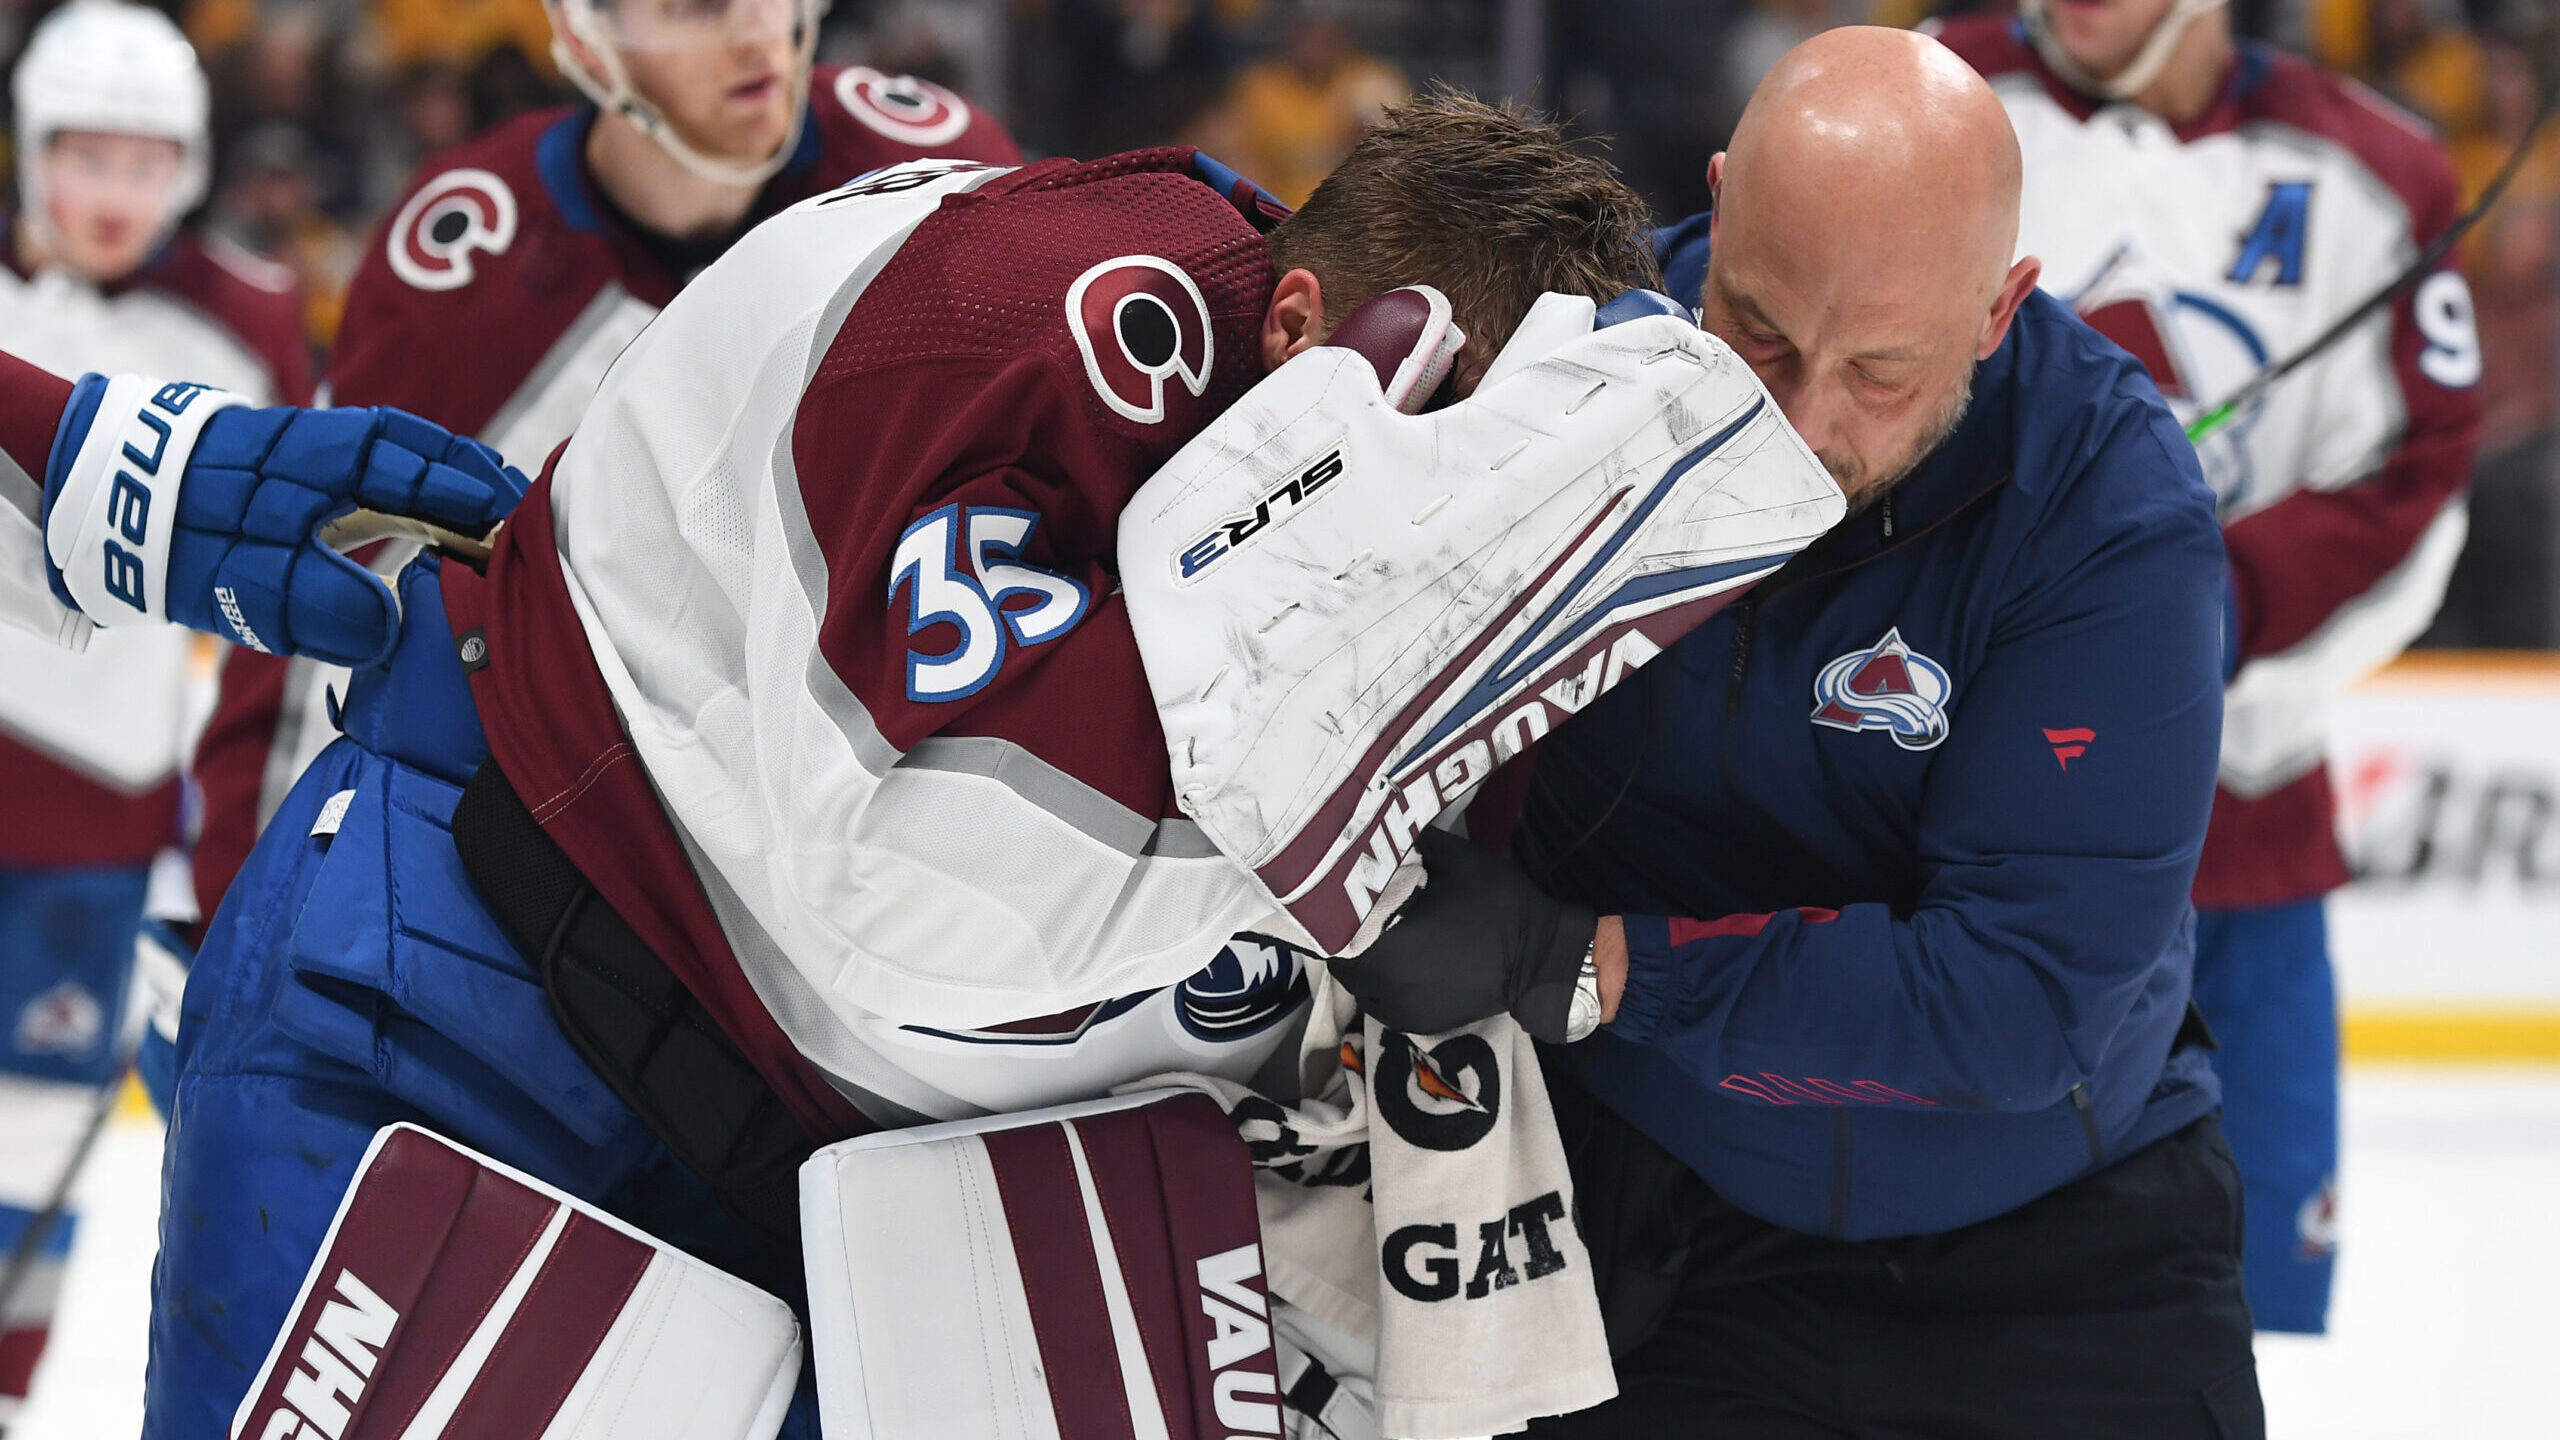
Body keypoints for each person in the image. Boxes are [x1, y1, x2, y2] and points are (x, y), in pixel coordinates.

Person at [144, 95, 1706, 1438]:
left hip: (802, 1156)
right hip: (478, 1006)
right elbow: (925, 880)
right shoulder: (1060, 316)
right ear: (1306, 329)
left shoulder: (1254, 384)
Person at [1330, 28, 2264, 1436]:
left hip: (2068, 1248)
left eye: (1882, 371)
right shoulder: (1557, 356)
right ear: (1718, 199)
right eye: (1758, 329)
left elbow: (2023, 1001)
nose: (1801, 418)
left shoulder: (2113, 513)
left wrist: (1580, 969)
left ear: (2000, 307)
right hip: (1652, 1233)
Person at [188, 0, 1021, 932]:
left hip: (914, 847)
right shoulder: (476, 279)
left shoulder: (938, 178)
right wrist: (239, 923)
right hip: (594, 856)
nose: (759, 33)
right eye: (696, 6)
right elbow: (323, 597)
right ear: (586, 39)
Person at [1936, 0, 2481, 1334]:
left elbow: (2419, 468)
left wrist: (2196, 617)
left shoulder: (2383, 172)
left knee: (2231, 1308)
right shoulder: (1923, 100)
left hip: (2247, 834)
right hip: (1961, 842)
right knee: (1958, 1309)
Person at [0, 3, 306, 1417]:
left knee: (26, 1157)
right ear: (31, 156)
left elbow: (292, 610)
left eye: (143, 163)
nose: (111, 196)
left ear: (184, 169)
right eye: (84, 159)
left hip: (94, 835)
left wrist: (239, 851)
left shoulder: (241, 331)